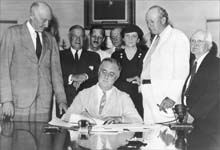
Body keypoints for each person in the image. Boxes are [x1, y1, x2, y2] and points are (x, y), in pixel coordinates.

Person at [0, 2, 67, 122]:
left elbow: (56, 73)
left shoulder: (51, 40)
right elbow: (2, 68)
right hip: (18, 103)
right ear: (32, 16)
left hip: (44, 103)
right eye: (43, 20)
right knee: (20, 138)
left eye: (49, 21)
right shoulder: (12, 33)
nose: (46, 25)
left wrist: (61, 100)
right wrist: (6, 100)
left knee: (43, 139)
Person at [141, 5, 190, 124]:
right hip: (149, 94)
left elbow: (182, 71)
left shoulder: (177, 37)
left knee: (166, 135)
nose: (149, 25)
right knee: (150, 134)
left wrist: (172, 96)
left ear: (163, 20)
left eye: (152, 22)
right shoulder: (156, 39)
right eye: (147, 22)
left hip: (164, 97)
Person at [62, 58, 143, 124]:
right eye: (104, 71)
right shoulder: (84, 94)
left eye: (111, 74)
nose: (106, 76)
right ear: (98, 72)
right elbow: (66, 118)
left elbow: (138, 121)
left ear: (117, 77)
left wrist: (119, 119)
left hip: (113, 142)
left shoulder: (123, 97)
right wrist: (80, 117)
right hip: (88, 141)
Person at [182, 30, 220, 132]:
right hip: (189, 118)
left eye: (200, 41)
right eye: (193, 41)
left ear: (209, 45)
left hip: (206, 122)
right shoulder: (190, 64)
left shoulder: (216, 64)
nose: (195, 44)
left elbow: (213, 94)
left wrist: (193, 114)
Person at [111, 24, 147, 118]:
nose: (130, 39)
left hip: (139, 98)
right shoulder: (116, 55)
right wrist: (128, 80)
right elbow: (113, 78)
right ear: (123, 38)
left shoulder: (145, 55)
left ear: (138, 39)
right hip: (120, 98)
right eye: (127, 36)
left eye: (134, 36)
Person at [60, 25, 101, 106]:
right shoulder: (59, 56)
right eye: (75, 36)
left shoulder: (94, 56)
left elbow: (98, 75)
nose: (78, 39)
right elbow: (54, 77)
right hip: (66, 103)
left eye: (81, 36)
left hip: (88, 103)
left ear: (85, 38)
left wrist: (85, 76)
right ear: (69, 37)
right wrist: (71, 77)